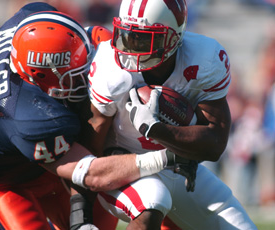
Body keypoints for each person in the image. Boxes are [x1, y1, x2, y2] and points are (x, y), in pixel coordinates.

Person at [0, 2, 178, 230]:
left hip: (50, 156)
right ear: (41, 78)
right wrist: (165, 158)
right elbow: (90, 172)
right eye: (75, 74)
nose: (86, 73)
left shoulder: (34, 18)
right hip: (11, 181)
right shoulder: (29, 116)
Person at [87, 0, 258, 229]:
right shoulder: (111, 68)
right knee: (152, 198)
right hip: (124, 168)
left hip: (178, 167)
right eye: (128, 35)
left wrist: (159, 131)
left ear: (173, 37)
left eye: (145, 37)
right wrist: (80, 211)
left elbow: (215, 144)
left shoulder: (203, 58)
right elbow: (89, 151)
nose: (132, 46)